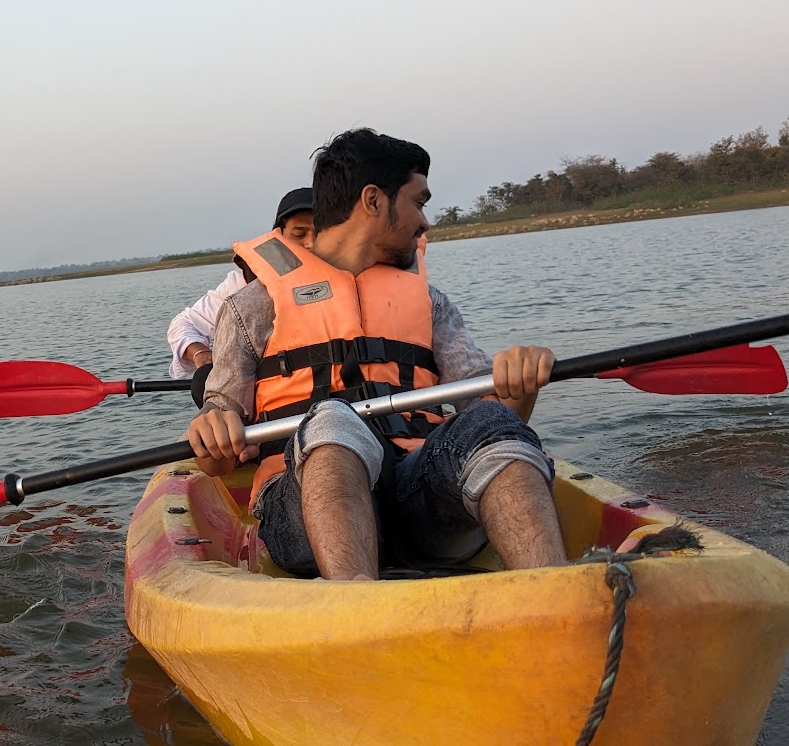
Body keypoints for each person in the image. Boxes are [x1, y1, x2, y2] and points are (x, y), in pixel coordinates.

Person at [184, 129, 565, 581]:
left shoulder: (431, 304)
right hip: (305, 505)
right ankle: (356, 614)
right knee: (332, 420)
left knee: (489, 423)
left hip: (419, 497)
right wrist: (213, 425)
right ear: (373, 201)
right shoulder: (251, 307)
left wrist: (519, 384)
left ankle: (559, 597)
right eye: (418, 202)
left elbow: (497, 414)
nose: (425, 223)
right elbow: (216, 461)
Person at [166, 187, 314, 380]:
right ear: (279, 237)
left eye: (320, 232)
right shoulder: (245, 283)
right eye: (299, 234)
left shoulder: (350, 276)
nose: (311, 243)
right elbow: (184, 323)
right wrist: (200, 354)